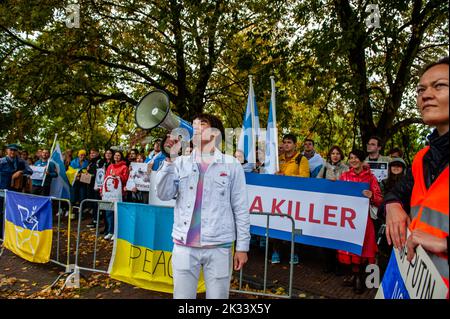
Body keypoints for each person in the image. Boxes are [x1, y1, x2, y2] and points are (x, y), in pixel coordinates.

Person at [156, 113, 249, 299]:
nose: (196, 127)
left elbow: (241, 208)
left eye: (202, 124)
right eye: (193, 124)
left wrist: (242, 247)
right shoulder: (180, 162)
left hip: (219, 246)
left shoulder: (231, 165)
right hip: (184, 246)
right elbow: (163, 194)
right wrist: (169, 159)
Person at [384, 57, 449, 292]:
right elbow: (397, 192)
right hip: (415, 284)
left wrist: (444, 243)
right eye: (421, 89)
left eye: (439, 85)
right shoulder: (423, 157)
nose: (426, 94)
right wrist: (392, 206)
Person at [338, 149, 383, 294]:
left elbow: (379, 199)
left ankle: (359, 277)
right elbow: (337, 195)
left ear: (362, 159)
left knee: (363, 248)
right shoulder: (344, 176)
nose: (353, 160)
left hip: (364, 221)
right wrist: (333, 185)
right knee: (350, 248)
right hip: (348, 220)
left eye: (356, 157)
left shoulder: (370, 177)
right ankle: (354, 275)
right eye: (351, 158)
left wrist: (371, 196)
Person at [271, 134, 310, 264]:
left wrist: (286, 176)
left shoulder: (301, 159)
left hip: (295, 198)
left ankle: (294, 253)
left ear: (295, 144)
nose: (286, 144)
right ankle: (276, 251)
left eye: (289, 142)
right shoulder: (278, 159)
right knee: (276, 222)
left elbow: (305, 178)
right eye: (285, 142)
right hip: (279, 197)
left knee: (294, 224)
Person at [316, 145, 349, 274]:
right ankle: (327, 263)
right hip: (326, 204)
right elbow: (317, 181)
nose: (335, 155)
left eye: (337, 153)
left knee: (337, 236)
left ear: (341, 155)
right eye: (332, 153)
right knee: (325, 235)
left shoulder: (346, 168)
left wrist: (339, 182)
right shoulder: (324, 167)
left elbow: (349, 184)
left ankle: (338, 264)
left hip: (340, 205)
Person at [101, 151, 128, 240]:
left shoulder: (124, 167)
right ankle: (110, 231)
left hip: (119, 194)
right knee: (109, 213)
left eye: (119, 155)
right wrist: (102, 190)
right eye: (115, 155)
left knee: (117, 213)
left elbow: (125, 179)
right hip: (108, 194)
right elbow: (105, 179)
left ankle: (117, 233)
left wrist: (117, 175)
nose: (117, 156)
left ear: (121, 157)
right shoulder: (110, 166)